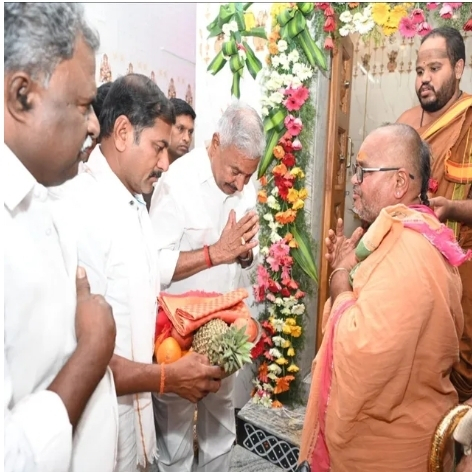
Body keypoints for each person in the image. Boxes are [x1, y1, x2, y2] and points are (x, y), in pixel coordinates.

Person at [57, 74, 223, 472]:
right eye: (158, 147)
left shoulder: (132, 202)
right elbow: (83, 357)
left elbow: (143, 297)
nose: (164, 164)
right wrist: (167, 377)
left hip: (135, 424)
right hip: (97, 435)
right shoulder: (84, 209)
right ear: (122, 133)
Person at [298, 124, 467, 472]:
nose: (354, 180)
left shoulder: (407, 250)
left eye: (364, 171)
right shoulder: (410, 236)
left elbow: (363, 350)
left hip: (385, 454)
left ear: (400, 182)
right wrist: (349, 270)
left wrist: (340, 279)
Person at [4, 3, 117, 472]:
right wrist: (92, 352)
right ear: (22, 96)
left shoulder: (48, 192)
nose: (94, 126)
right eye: (83, 105)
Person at [149, 102, 265, 472]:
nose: (240, 184)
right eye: (235, 171)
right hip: (178, 332)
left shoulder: (244, 185)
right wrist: (215, 253)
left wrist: (244, 254)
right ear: (215, 143)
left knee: (220, 428)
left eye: (248, 175)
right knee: (176, 438)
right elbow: (155, 265)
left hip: (225, 328)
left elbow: (249, 255)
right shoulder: (176, 183)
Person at [397, 26, 472, 402]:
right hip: (406, 264)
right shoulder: (406, 121)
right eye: (419, 70)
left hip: (460, 271)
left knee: (454, 366)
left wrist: (452, 208)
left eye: (434, 68)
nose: (424, 78)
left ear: (458, 68)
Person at [143, 97, 196, 210]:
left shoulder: (190, 175)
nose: (187, 138)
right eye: (180, 129)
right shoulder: (148, 170)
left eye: (190, 132)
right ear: (166, 128)